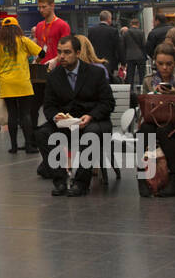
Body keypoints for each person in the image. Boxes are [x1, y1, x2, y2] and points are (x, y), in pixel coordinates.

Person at [36, 35, 115, 196]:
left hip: (93, 120)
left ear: (78, 53)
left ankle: (81, 183)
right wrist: (55, 116)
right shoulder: (54, 76)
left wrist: (90, 116)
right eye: (59, 52)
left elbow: (107, 103)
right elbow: (49, 106)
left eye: (67, 52)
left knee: (91, 134)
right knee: (42, 133)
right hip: (66, 123)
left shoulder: (95, 73)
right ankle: (60, 180)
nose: (62, 56)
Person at [138, 44, 175, 198]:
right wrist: (154, 96)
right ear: (155, 63)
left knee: (164, 131)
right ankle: (142, 177)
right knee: (145, 130)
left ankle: (174, 177)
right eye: (160, 64)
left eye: (169, 64)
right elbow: (144, 108)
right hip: (155, 120)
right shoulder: (148, 80)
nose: (164, 68)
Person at [0, 17, 43, 154]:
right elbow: (41, 53)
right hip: (22, 81)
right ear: (17, 27)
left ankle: (14, 146)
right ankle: (28, 145)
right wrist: (31, 60)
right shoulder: (23, 40)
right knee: (25, 114)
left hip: (6, 83)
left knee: (12, 114)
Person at [33, 0, 70, 67]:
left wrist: (55, 60)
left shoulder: (62, 25)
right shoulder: (39, 26)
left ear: (52, 6)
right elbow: (37, 47)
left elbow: (67, 49)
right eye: (39, 7)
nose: (41, 10)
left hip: (58, 68)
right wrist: (36, 61)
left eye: (44, 7)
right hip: (41, 68)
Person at [86, 11, 122, 77]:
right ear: (108, 19)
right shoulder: (113, 31)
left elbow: (88, 46)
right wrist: (123, 62)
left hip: (95, 62)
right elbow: (118, 48)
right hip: (110, 62)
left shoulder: (91, 30)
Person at [121, 16, 147, 89]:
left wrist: (123, 57)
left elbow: (123, 46)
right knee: (142, 74)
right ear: (138, 24)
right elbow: (144, 44)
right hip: (140, 56)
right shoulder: (141, 32)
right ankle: (142, 88)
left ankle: (131, 90)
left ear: (130, 24)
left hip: (129, 56)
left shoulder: (126, 33)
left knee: (130, 75)